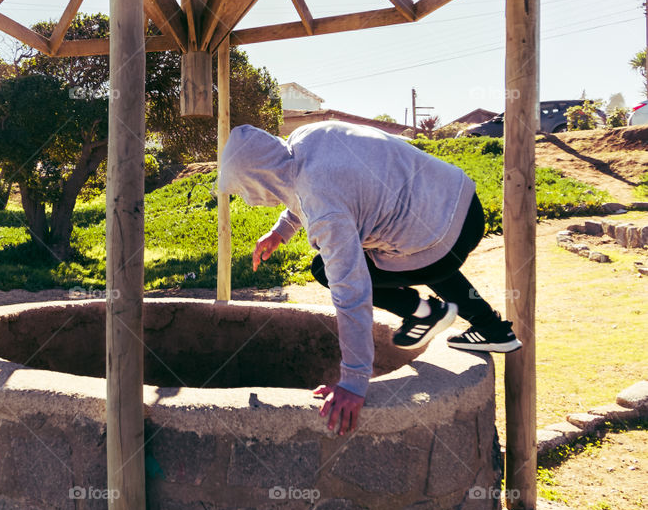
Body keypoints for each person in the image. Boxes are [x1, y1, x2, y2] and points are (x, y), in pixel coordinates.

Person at [217, 121, 520, 437]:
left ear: (258, 182)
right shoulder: (306, 137)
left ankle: (424, 313)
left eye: (244, 189)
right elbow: (300, 182)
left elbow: (351, 290)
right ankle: (492, 329)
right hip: (458, 199)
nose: (247, 197)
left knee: (326, 269)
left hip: (445, 242)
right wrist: (282, 230)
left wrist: (354, 379)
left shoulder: (324, 210)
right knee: (414, 244)